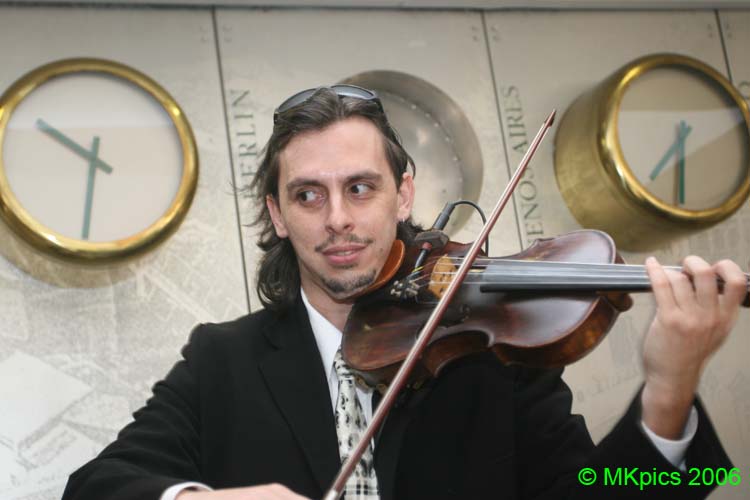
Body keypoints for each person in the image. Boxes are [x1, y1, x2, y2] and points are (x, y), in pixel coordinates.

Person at [62, 85, 747, 500]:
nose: (337, 218)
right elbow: (94, 487)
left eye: (360, 188)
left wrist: (669, 391)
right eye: (308, 195)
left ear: (404, 193)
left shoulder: (491, 354)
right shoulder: (223, 360)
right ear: (278, 214)